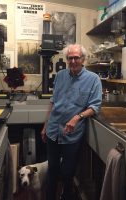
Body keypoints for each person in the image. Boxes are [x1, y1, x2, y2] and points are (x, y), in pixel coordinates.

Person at [41, 44, 102, 200]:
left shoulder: (93, 79)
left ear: (83, 59)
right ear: (67, 59)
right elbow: (53, 102)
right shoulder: (60, 75)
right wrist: (46, 125)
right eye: (70, 58)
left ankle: (66, 195)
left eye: (76, 58)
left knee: (68, 172)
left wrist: (77, 117)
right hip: (53, 130)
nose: (73, 61)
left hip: (72, 134)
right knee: (52, 169)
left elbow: (94, 107)